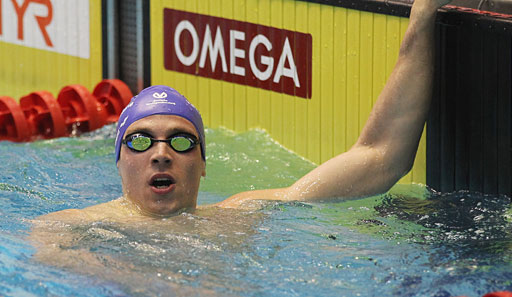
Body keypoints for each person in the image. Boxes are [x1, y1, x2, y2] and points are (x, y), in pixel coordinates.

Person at [32, 0, 451, 221]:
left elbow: (381, 158)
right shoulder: (71, 229)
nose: (162, 153)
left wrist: (423, 14)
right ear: (118, 159)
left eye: (182, 140)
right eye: (140, 141)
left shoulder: (241, 216)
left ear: (204, 164)